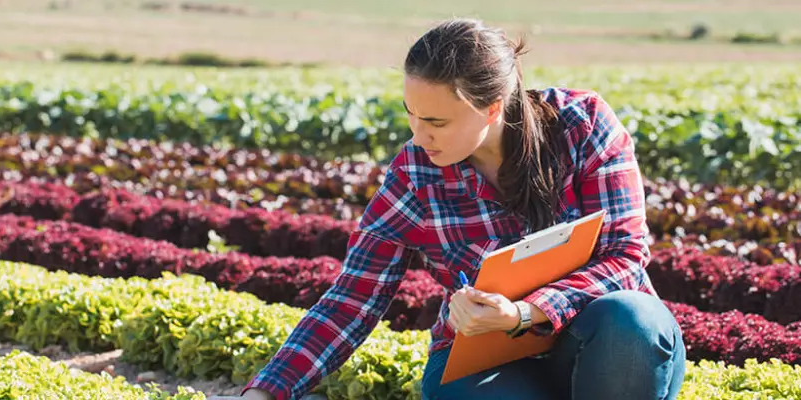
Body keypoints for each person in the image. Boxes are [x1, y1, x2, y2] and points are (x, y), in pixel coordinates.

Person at [210, 18, 686, 400]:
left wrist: (523, 312)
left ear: (492, 108)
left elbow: (624, 257)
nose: (419, 136)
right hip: (487, 363)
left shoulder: (581, 126)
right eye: (411, 115)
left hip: (607, 345)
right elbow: (352, 298)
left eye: (436, 121)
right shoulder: (415, 175)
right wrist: (262, 394)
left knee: (633, 320)